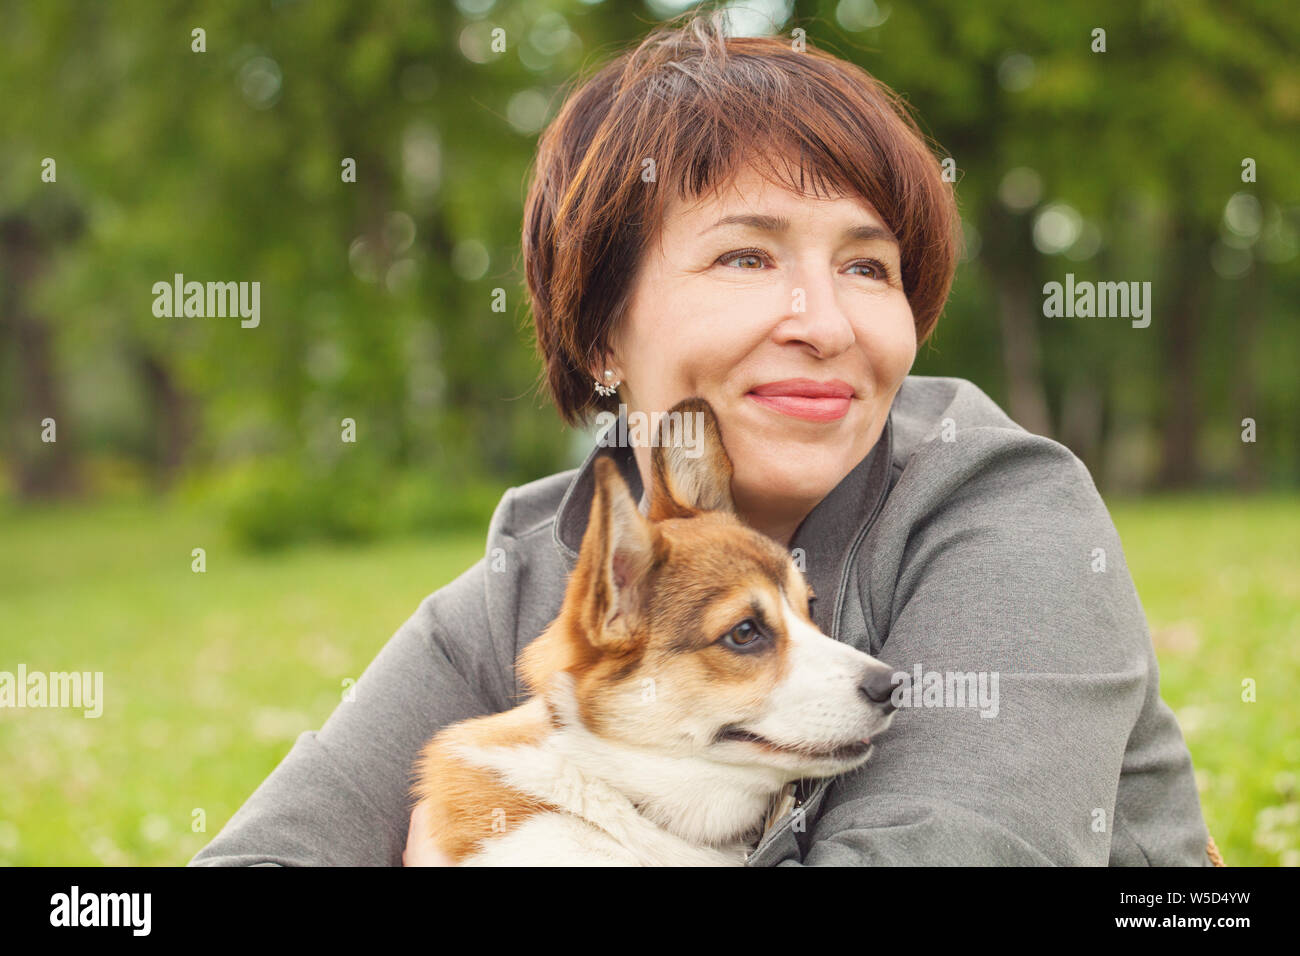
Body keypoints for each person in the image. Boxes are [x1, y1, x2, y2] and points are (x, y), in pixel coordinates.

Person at [189, 9, 1213, 867]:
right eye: (744, 257)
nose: (824, 320)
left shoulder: (1003, 512)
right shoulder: (534, 578)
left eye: (867, 267)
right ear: (600, 328)